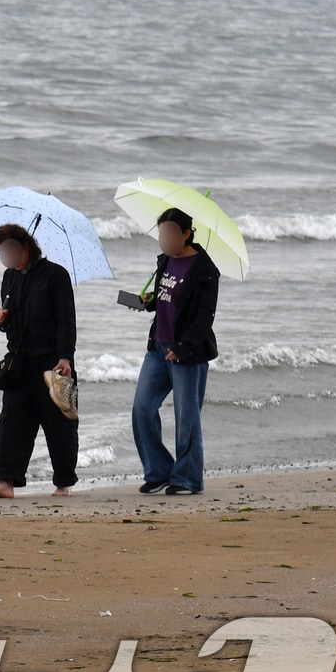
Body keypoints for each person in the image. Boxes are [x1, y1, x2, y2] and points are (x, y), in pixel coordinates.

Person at [0, 223, 78, 500]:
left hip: (53, 363)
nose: (4, 256)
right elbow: (12, 325)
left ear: (25, 247)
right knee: (12, 423)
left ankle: (63, 484)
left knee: (59, 425)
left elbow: (67, 320)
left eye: (8, 249)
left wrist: (65, 357)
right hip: (19, 364)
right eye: (0, 251)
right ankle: (5, 482)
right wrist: (3, 320)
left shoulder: (55, 275)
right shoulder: (10, 277)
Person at [132, 208, 220, 496]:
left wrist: (184, 347)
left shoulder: (205, 270)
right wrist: (150, 301)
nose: (164, 239)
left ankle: (188, 479)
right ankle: (158, 471)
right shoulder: (165, 260)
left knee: (187, 418)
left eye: (170, 233)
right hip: (158, 347)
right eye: (160, 233)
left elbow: (204, 316)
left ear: (186, 234)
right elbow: (166, 299)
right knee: (142, 408)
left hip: (188, 353)